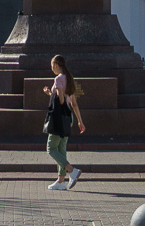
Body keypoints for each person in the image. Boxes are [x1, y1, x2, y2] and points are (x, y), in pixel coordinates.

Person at [43, 54, 87, 191]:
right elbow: (73, 103)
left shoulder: (58, 79)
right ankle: (61, 181)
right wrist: (80, 121)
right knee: (61, 149)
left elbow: (60, 101)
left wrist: (53, 92)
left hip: (58, 118)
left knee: (51, 148)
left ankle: (71, 170)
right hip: (68, 118)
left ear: (56, 65)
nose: (52, 69)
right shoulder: (69, 79)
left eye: (52, 66)